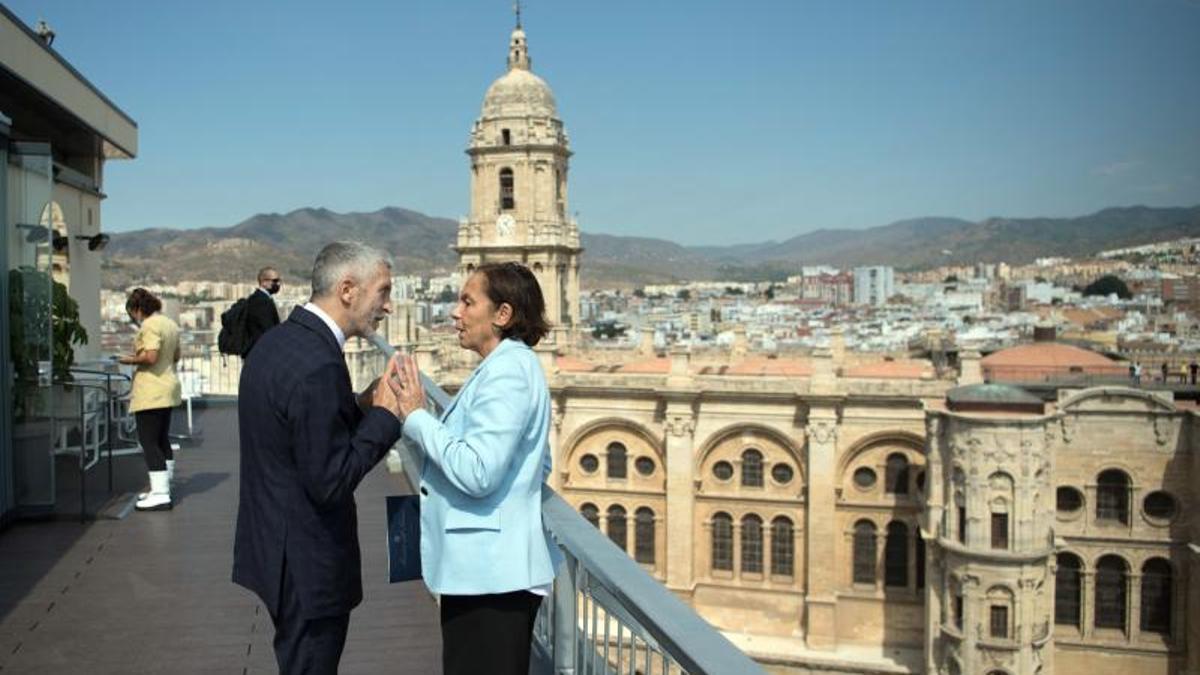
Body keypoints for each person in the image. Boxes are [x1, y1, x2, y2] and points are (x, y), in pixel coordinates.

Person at [232, 242, 404, 673]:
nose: (388, 306)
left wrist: (358, 406)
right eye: (382, 291)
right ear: (348, 289)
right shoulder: (319, 365)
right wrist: (387, 416)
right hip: (306, 564)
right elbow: (330, 480)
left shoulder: (277, 344)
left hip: (274, 547)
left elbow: (298, 425)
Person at [394, 261, 559, 675]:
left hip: (491, 578)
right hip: (485, 572)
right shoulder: (508, 366)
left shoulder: (507, 373)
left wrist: (416, 418)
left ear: (502, 315)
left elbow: (479, 471)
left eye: (468, 302)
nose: (455, 312)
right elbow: (540, 461)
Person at [119, 288, 182, 511]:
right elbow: (176, 356)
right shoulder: (170, 324)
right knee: (162, 438)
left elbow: (151, 355)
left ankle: (161, 493)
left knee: (148, 441)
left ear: (138, 309)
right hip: (169, 386)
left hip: (152, 390)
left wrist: (129, 360)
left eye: (132, 313)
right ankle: (162, 487)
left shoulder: (150, 326)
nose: (133, 319)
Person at [243, 266, 282, 355]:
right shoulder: (261, 301)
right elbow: (268, 329)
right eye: (275, 281)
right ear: (264, 282)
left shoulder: (259, 298)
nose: (278, 284)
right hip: (261, 352)